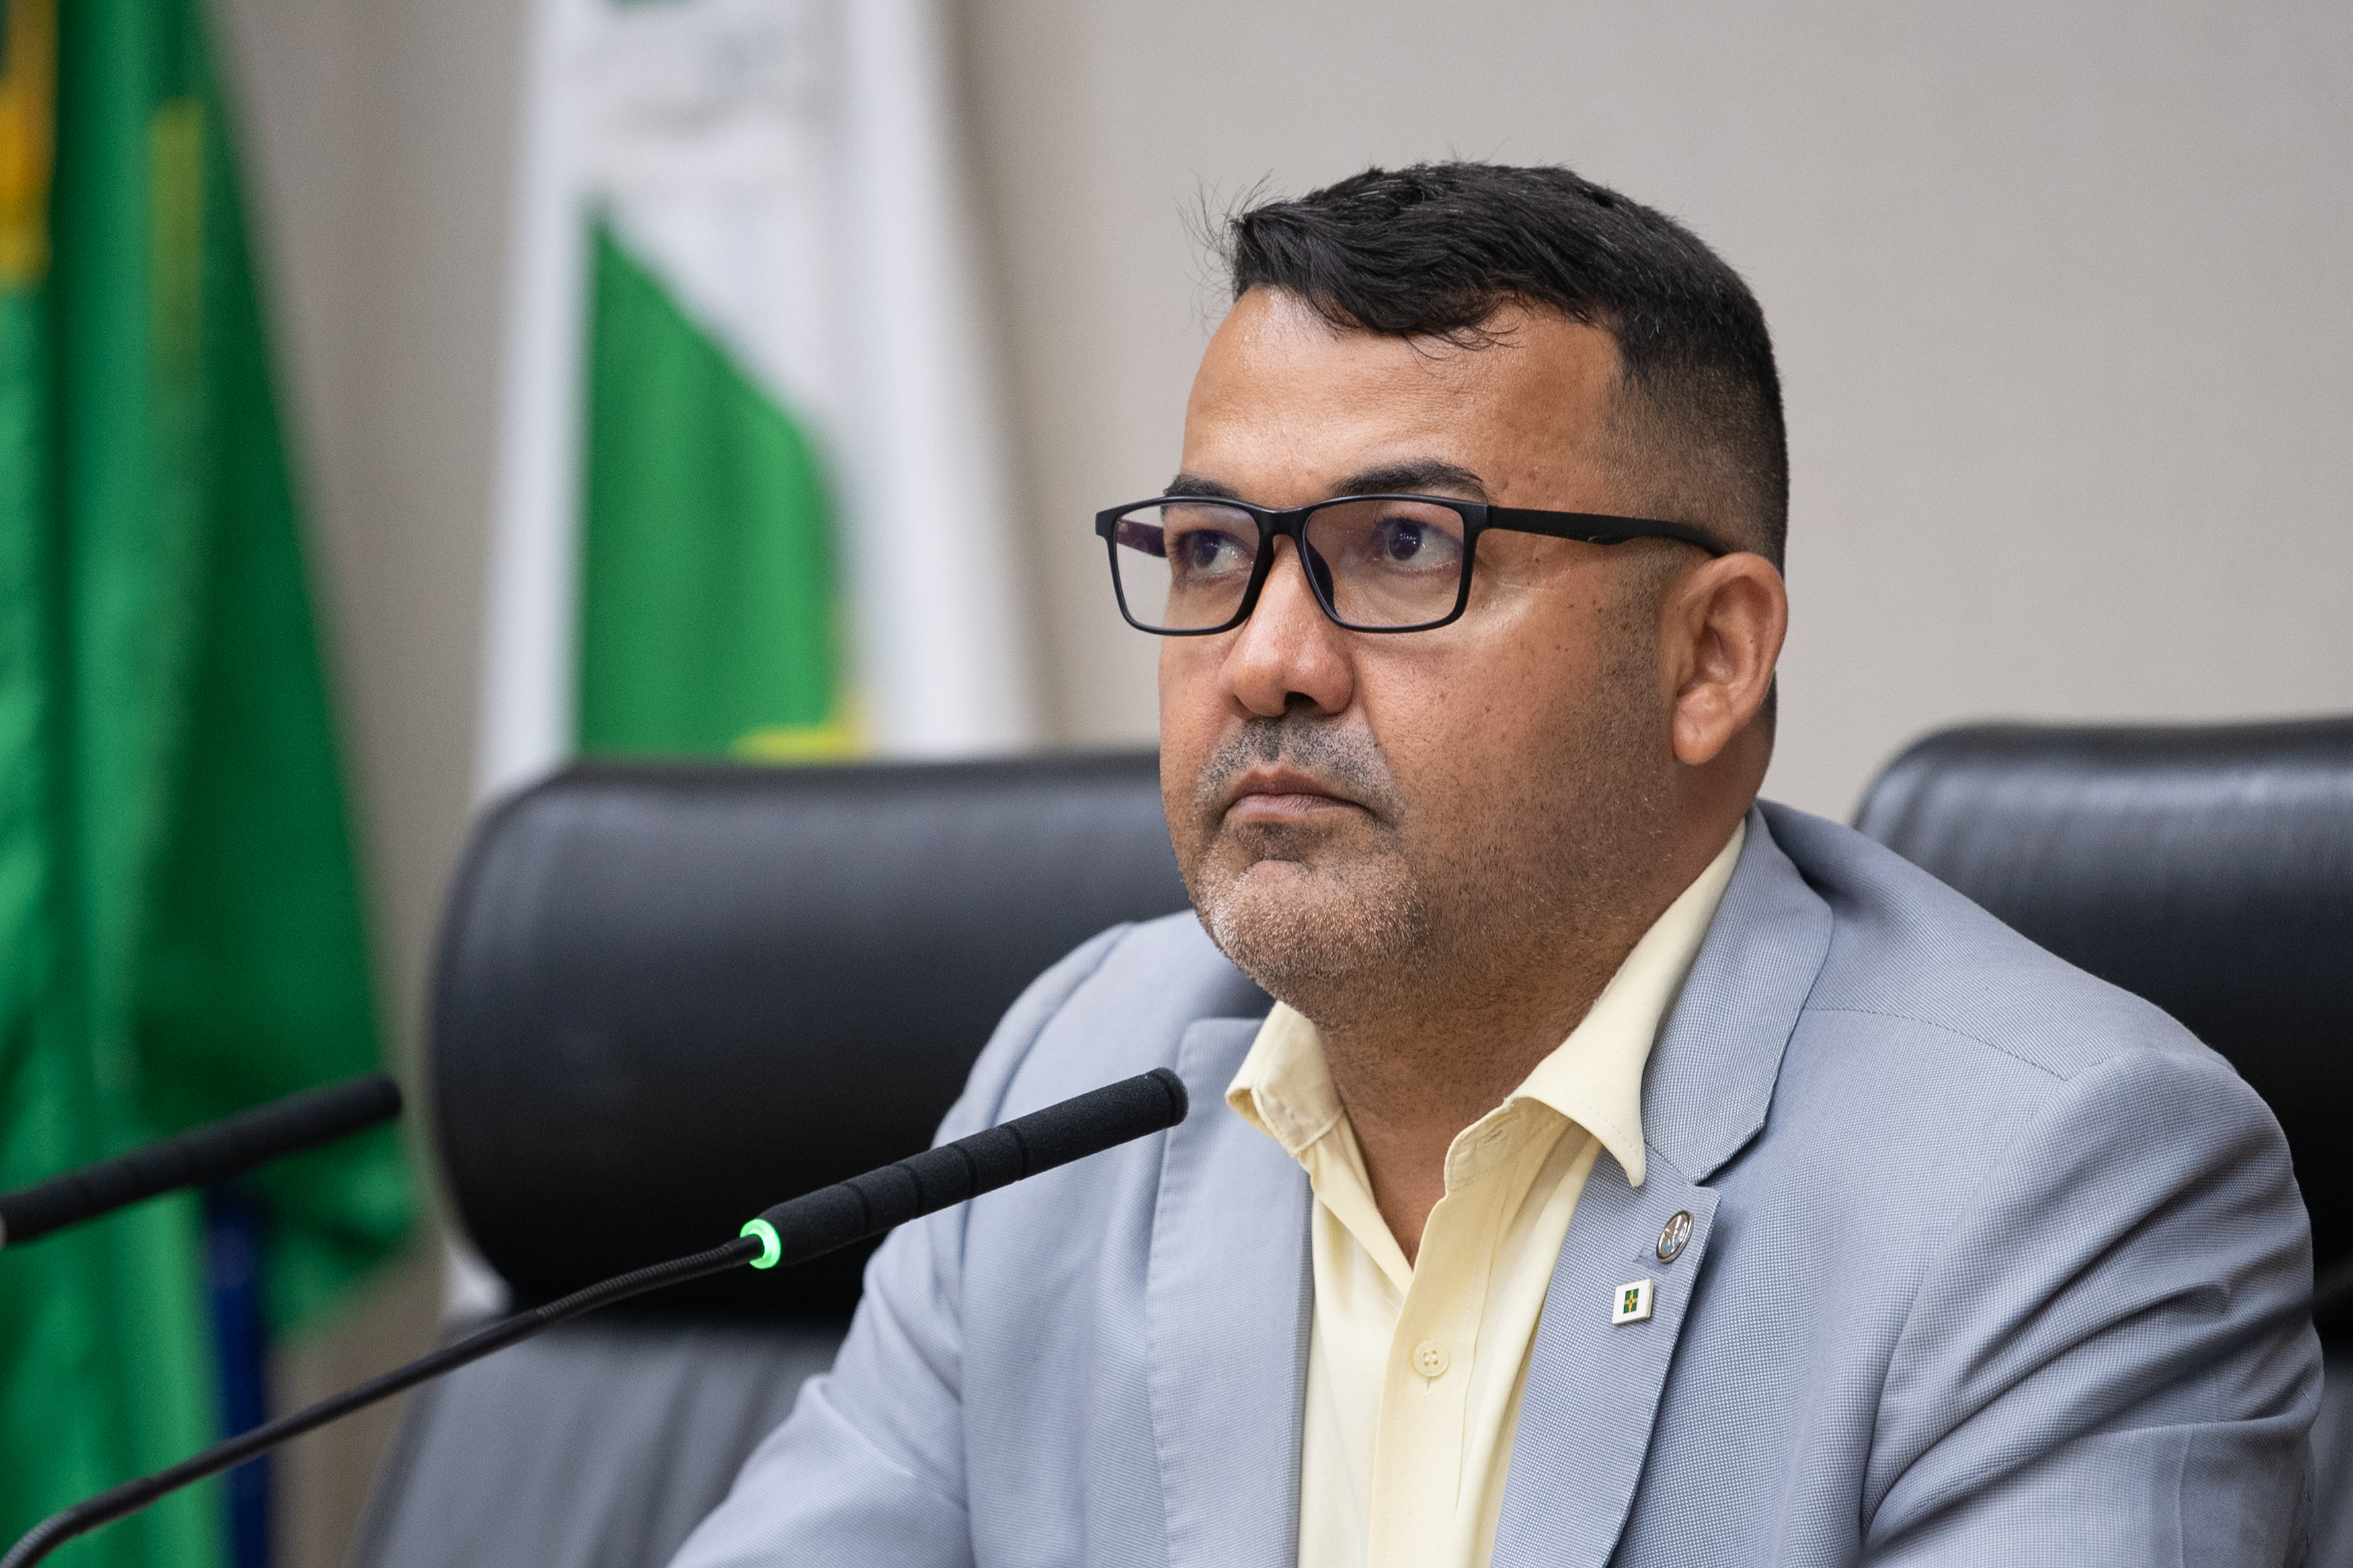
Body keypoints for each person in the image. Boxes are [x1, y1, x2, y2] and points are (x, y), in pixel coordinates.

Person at [670, 161, 2318, 1567]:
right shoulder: (1074, 1073)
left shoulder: (2052, 1183)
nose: (1267, 661)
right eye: (1213, 552)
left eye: (1405, 547)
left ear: (1709, 657)